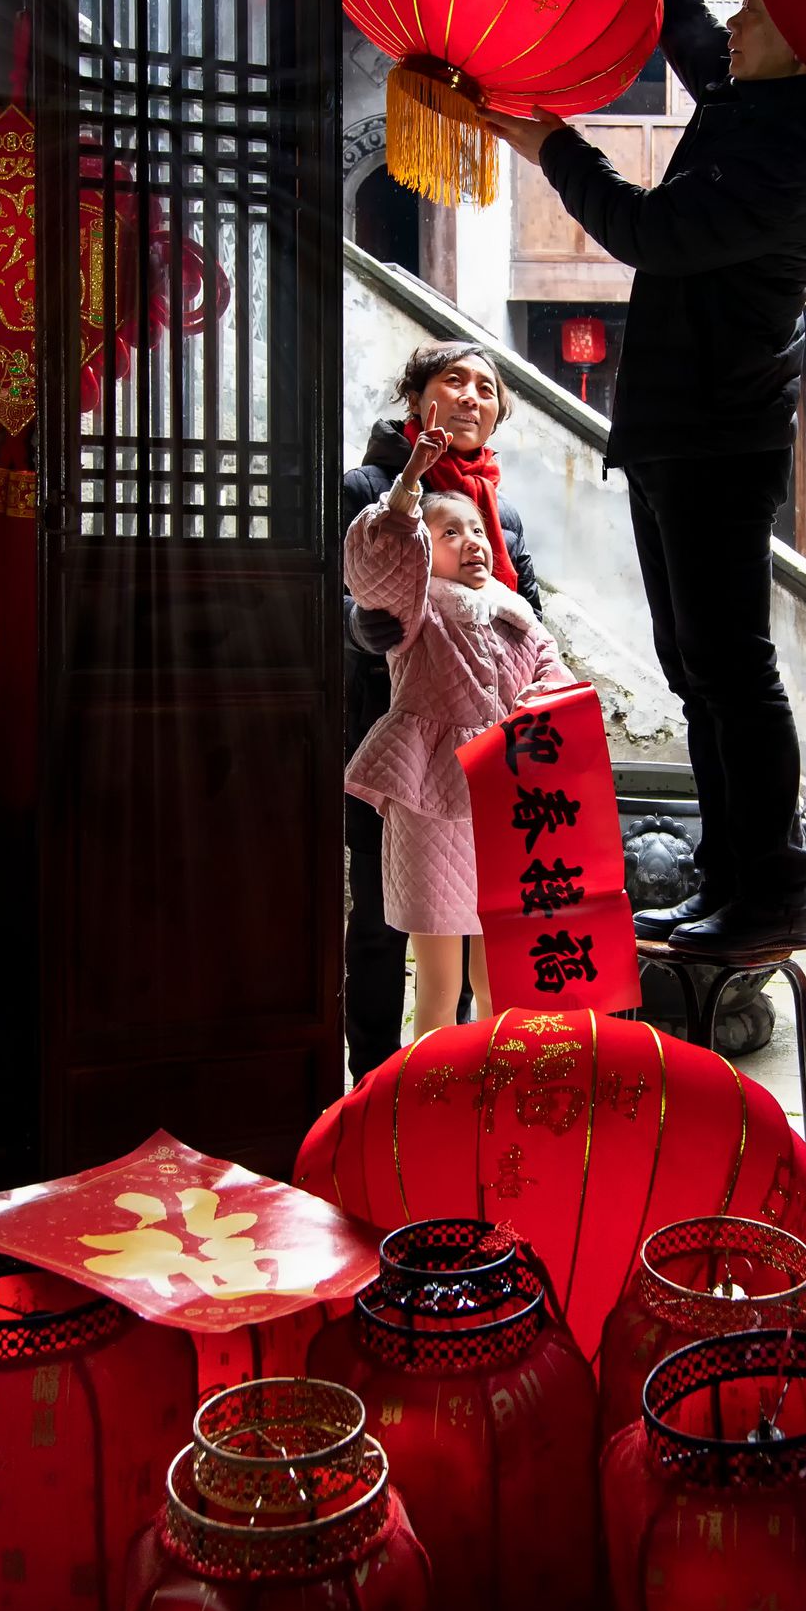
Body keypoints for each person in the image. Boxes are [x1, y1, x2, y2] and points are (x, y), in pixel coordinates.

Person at [482, 0, 806, 956]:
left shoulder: (793, 151)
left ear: (802, 48)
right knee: (694, 669)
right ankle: (730, 880)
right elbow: (684, 19)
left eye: (758, 15)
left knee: (730, 669)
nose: (737, 27)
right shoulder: (753, 102)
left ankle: (769, 891)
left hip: (721, 433)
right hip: (678, 428)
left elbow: (650, 231)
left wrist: (551, 144)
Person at [340, 343, 546, 1077]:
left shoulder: (500, 509)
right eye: (453, 381)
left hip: (488, 752)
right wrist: (356, 623)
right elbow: (339, 581)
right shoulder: (369, 486)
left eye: (486, 389)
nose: (470, 397)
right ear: (416, 397)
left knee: (477, 922)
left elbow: (528, 608)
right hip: (394, 731)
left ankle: (456, 1079)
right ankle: (372, 1079)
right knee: (380, 918)